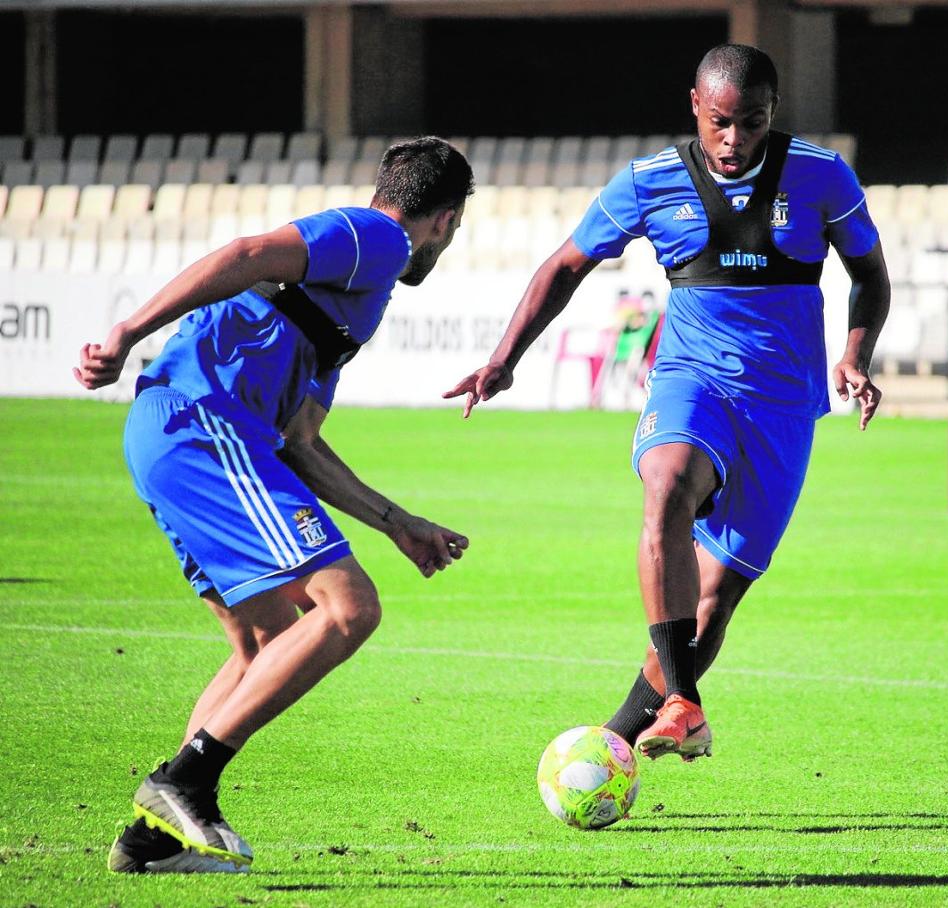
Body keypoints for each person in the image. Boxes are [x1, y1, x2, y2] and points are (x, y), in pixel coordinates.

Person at [445, 44, 889, 762]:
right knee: (668, 485)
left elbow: (870, 276)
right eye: (720, 121)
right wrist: (504, 359)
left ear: (773, 113)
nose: (734, 139)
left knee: (712, 605)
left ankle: (617, 741)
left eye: (751, 122)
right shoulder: (650, 181)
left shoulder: (821, 176)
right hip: (692, 379)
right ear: (694, 106)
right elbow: (565, 266)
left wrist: (854, 356)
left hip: (782, 406)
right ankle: (682, 701)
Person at [75, 137, 474, 873]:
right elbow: (247, 252)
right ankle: (184, 782)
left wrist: (397, 522)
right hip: (203, 422)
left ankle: (152, 841)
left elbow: (299, 443)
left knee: (263, 643)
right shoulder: (377, 237)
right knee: (349, 609)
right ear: (446, 222)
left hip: (195, 435)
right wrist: (128, 333)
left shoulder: (352, 300)